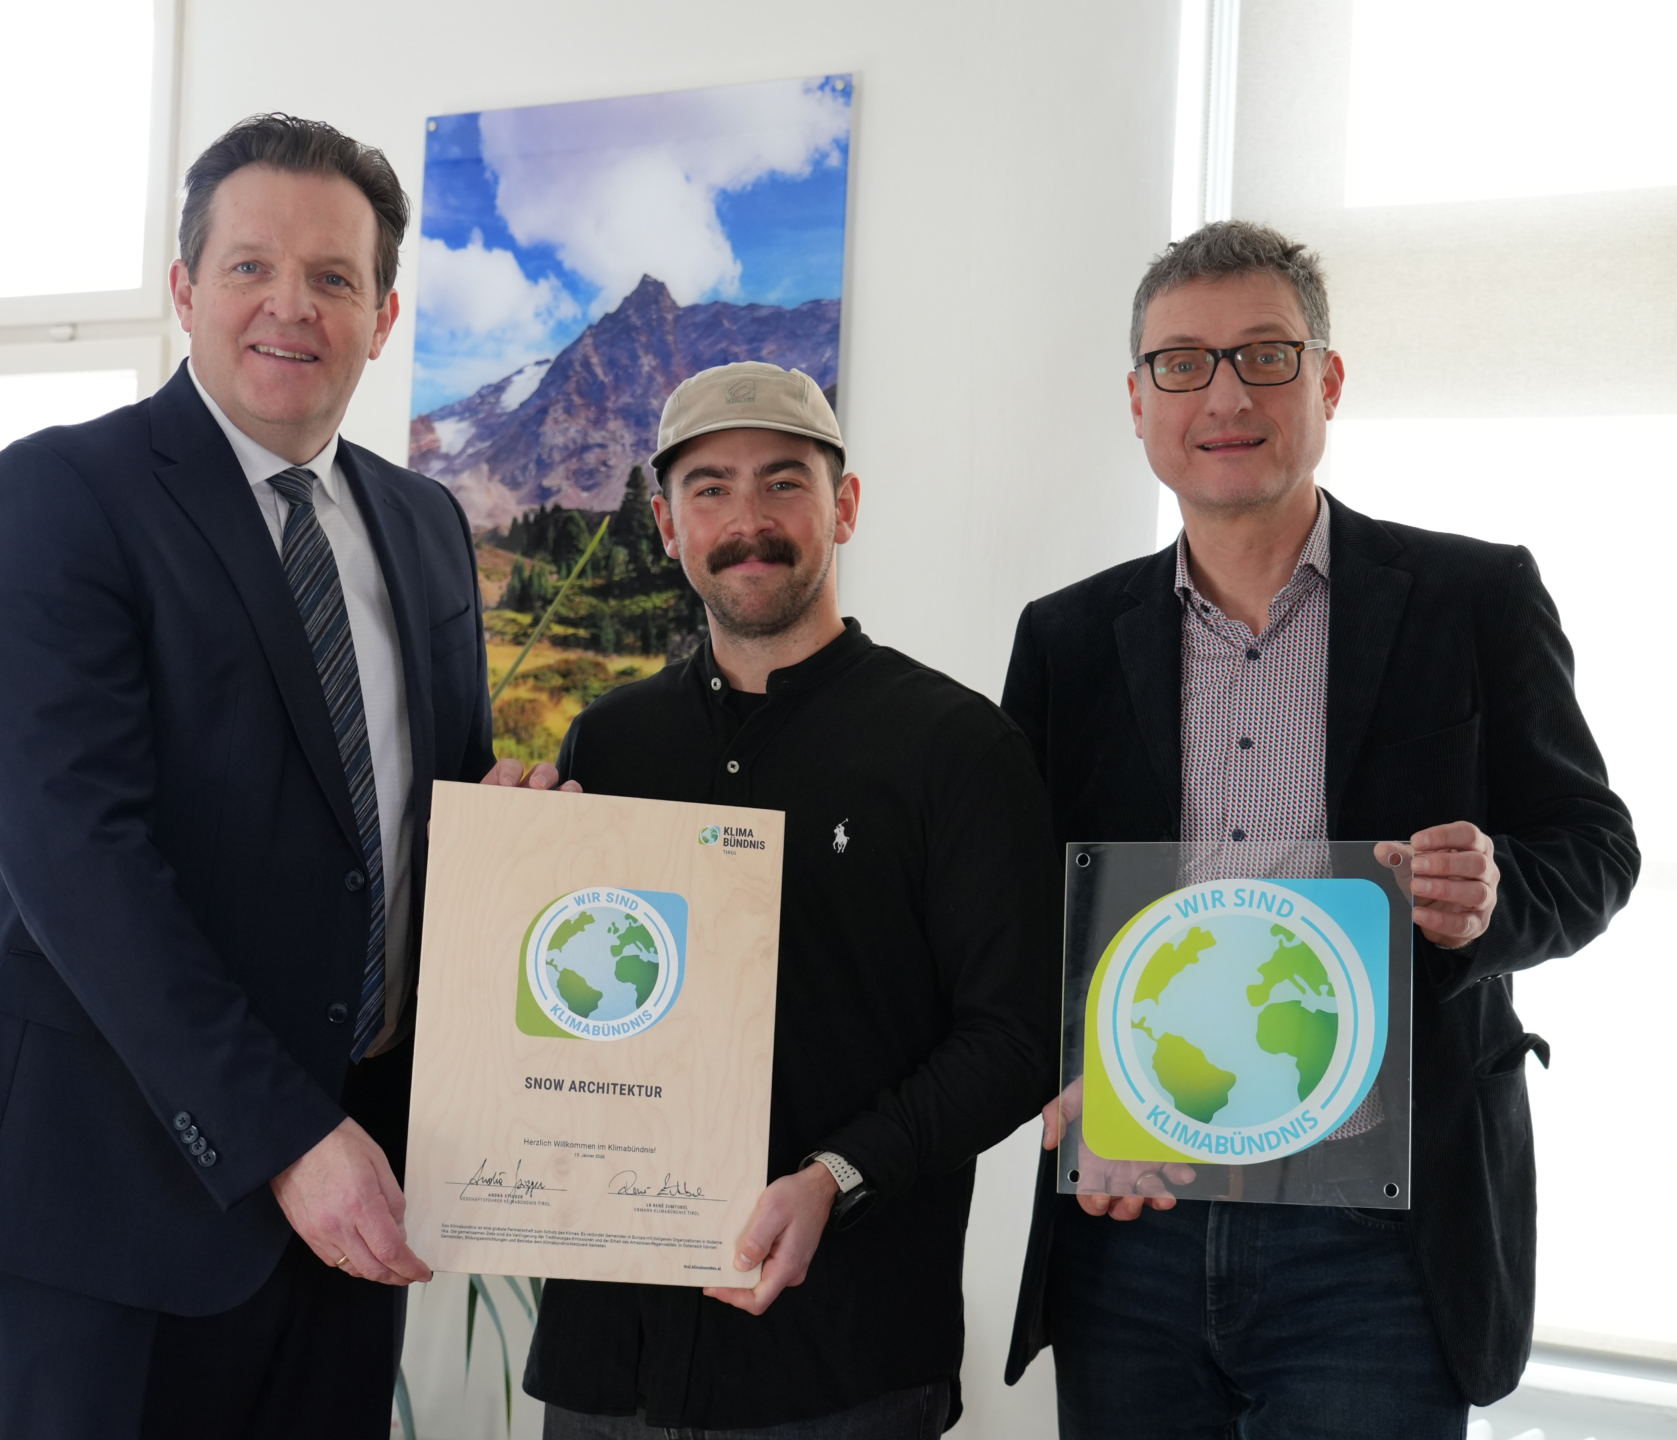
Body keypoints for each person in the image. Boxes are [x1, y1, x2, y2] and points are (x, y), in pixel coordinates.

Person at [0, 114, 524, 1438]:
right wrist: (284, 1138)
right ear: (185, 289)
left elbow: (428, 810)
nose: (290, 306)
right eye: (251, 267)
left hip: (356, 1198)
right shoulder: (62, 495)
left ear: (384, 315)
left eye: (333, 277)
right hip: (112, 1209)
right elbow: (81, 861)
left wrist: (514, 838)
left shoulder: (423, 524)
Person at [999, 220, 1640, 1438]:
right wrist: (1074, 1082)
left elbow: (1594, 847)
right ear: (1137, 403)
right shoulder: (1066, 640)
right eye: (1182, 363)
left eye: (1266, 355)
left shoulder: (1474, 597)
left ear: (1327, 380)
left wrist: (1496, 892)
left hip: (1381, 1243)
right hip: (1137, 1223)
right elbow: (1013, 912)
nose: (1225, 395)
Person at [521, 361, 1061, 1437]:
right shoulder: (609, 743)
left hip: (841, 1367)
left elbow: (1017, 1036)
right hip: (611, 1363)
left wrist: (835, 1176)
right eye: (710, 488)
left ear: (843, 506)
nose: (748, 521)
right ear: (668, 525)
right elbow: (568, 1009)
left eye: (783, 482)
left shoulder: (955, 747)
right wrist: (503, 883)